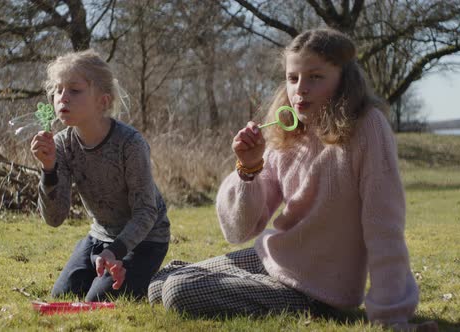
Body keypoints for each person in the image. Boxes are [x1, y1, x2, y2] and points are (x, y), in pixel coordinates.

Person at [148, 29, 437, 331]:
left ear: (344, 80)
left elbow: (384, 225)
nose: (300, 89)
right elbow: (240, 229)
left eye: (315, 77)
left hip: (314, 290)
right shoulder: (287, 133)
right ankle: (214, 281)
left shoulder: (367, 128)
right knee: (159, 284)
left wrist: (390, 316)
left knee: (178, 291)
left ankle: (206, 283)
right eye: (292, 78)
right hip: (271, 258)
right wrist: (249, 168)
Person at [30, 49, 170, 302]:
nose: (63, 98)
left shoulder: (130, 143)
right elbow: (54, 218)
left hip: (146, 239)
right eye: (58, 90)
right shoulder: (61, 145)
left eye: (75, 90)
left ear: (103, 102)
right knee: (63, 295)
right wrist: (49, 170)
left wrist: (116, 250)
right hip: (99, 236)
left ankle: (161, 276)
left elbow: (146, 212)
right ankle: (100, 267)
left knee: (99, 299)